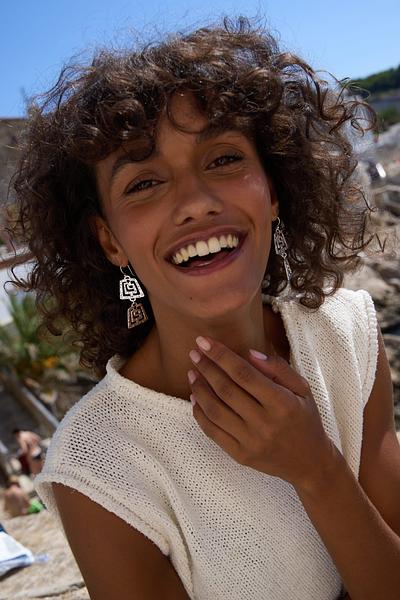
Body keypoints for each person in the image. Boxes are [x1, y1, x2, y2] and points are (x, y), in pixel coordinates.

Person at [10, 17, 400, 600]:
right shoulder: (96, 467)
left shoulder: (349, 333)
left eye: (222, 159)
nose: (195, 202)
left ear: (273, 190)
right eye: (143, 184)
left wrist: (318, 470)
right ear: (110, 241)